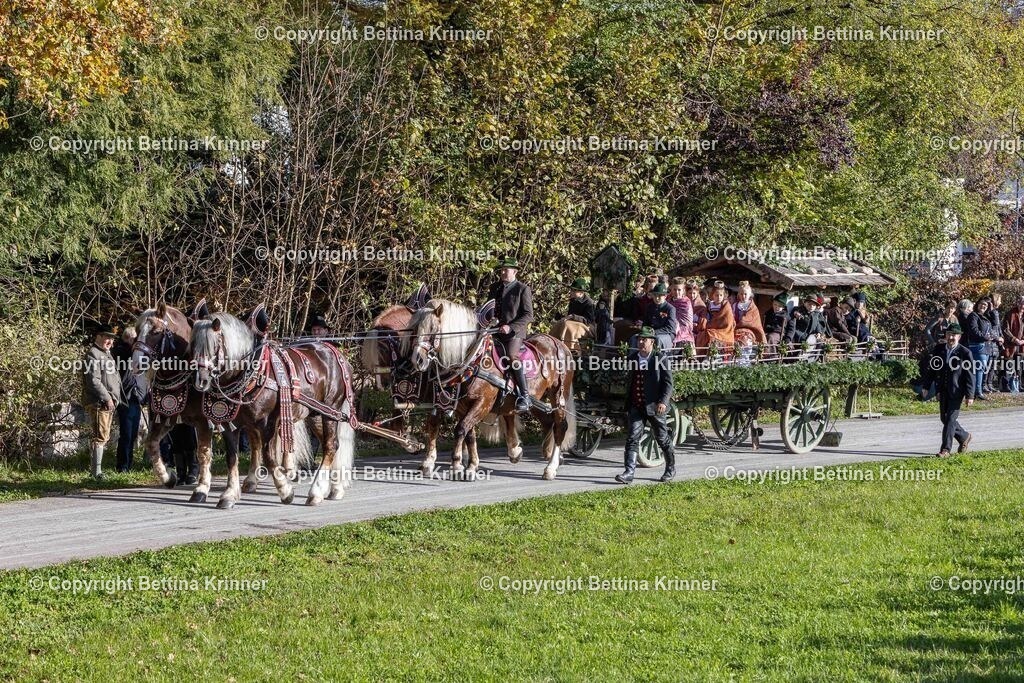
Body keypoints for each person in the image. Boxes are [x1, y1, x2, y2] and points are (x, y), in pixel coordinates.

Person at [615, 327, 675, 484]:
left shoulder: (660, 358)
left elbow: (668, 383)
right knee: (632, 438)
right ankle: (629, 472)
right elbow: (627, 378)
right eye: (639, 339)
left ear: (652, 342)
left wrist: (663, 401)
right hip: (636, 405)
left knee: (662, 438)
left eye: (644, 340)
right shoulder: (633, 358)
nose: (641, 342)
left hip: (655, 406)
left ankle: (670, 469)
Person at [918, 323, 974, 457]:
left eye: (954, 335)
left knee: (950, 419)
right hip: (942, 389)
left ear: (959, 337)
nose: (951, 337)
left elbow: (970, 374)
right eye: (949, 334)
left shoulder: (965, 353)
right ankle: (964, 436)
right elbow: (932, 369)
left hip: (957, 391)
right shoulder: (939, 349)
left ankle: (945, 450)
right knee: (945, 419)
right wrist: (926, 386)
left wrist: (970, 395)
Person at [487, 257, 535, 412]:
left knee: (512, 356)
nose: (502, 272)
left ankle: (525, 396)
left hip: (514, 334)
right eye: (501, 270)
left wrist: (510, 327)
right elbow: (488, 309)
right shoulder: (494, 287)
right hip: (494, 330)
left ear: (514, 272)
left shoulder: (522, 289)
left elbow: (528, 315)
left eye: (505, 270)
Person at [81, 324, 123, 479]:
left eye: (112, 339)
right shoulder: (93, 354)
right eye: (107, 337)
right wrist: (107, 398)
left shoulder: (105, 353)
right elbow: (93, 381)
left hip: (107, 402)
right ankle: (96, 473)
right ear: (98, 336)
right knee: (100, 437)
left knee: (103, 436)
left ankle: (96, 471)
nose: (110, 341)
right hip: (100, 402)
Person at [111, 326, 147, 472]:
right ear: (130, 338)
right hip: (125, 396)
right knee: (126, 433)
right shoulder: (121, 352)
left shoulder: (133, 353)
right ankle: (122, 466)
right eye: (135, 339)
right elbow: (126, 369)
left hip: (135, 397)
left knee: (132, 434)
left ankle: (128, 464)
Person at [966, 297, 996, 400]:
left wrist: (992, 310)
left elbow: (994, 325)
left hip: (986, 347)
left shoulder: (985, 317)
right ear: (977, 304)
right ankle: (977, 392)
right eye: (982, 304)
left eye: (986, 305)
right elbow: (973, 330)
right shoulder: (973, 316)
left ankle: (978, 391)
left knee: (982, 370)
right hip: (977, 346)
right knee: (979, 369)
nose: (983, 306)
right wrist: (985, 337)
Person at [695, 280, 735, 355]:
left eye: (721, 295)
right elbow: (705, 317)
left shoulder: (726, 306)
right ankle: (702, 356)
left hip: (723, 330)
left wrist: (711, 325)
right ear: (713, 295)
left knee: (709, 334)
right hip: (711, 327)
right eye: (717, 295)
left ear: (724, 296)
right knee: (701, 334)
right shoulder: (709, 305)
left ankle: (713, 355)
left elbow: (726, 321)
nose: (719, 297)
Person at [640, 283, 677, 351]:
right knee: (634, 338)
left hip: (666, 334)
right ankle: (634, 358)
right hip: (650, 333)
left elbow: (670, 328)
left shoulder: (670, 309)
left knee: (657, 339)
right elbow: (645, 323)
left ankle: (658, 360)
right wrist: (645, 331)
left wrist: (654, 332)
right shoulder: (649, 307)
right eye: (655, 295)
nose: (657, 298)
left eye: (660, 296)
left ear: (665, 296)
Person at [732, 281, 766, 345]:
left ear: (750, 294)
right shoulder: (735, 305)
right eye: (741, 294)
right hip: (736, 329)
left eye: (745, 294)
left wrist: (743, 322)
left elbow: (755, 323)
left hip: (750, 331)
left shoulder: (753, 308)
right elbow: (731, 318)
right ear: (738, 294)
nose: (743, 296)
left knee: (745, 340)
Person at [1002, 295, 1024, 393]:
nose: (1022, 305)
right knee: (1008, 365)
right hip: (1010, 345)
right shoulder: (1010, 313)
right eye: (1021, 302)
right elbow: (1005, 329)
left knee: (1019, 366)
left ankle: (1018, 385)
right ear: (1017, 303)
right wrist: (1014, 339)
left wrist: (1022, 341)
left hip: (1021, 346)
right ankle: (1006, 386)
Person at [984, 292, 1003, 393]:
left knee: (993, 364)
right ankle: (985, 384)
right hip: (991, 341)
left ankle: (990, 384)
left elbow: (998, 327)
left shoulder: (995, 312)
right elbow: (993, 325)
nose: (1000, 302)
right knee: (989, 364)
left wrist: (1001, 337)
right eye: (999, 300)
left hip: (996, 341)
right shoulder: (990, 313)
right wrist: (997, 338)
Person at [667, 277, 694, 348]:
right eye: (674, 289)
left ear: (683, 290)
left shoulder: (686, 302)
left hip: (684, 329)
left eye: (679, 290)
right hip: (670, 327)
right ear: (671, 289)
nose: (677, 292)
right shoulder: (668, 301)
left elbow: (687, 322)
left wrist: (677, 327)